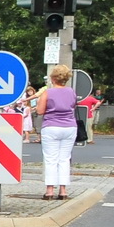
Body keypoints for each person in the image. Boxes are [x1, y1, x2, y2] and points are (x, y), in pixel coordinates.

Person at [36, 64, 78, 200]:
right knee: (64, 159)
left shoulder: (47, 93)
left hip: (51, 126)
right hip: (70, 127)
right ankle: (63, 190)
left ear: (53, 78)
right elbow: (73, 106)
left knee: (50, 159)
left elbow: (40, 111)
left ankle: (49, 191)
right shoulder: (71, 92)